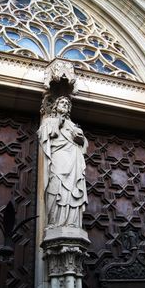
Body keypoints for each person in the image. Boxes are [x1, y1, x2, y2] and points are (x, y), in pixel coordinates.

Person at [37, 96, 88, 228]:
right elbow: (42, 134)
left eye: (67, 103)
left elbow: (84, 145)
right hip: (58, 158)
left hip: (74, 160)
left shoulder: (73, 125)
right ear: (56, 105)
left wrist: (80, 138)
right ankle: (54, 222)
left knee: (72, 191)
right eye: (62, 102)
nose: (65, 104)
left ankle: (72, 223)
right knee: (56, 186)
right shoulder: (49, 120)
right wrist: (57, 124)